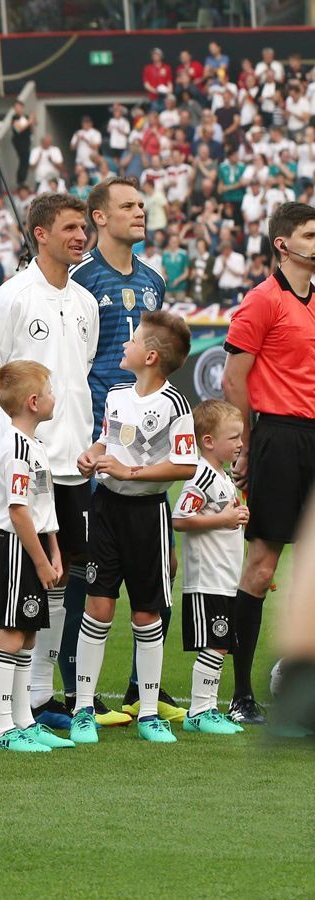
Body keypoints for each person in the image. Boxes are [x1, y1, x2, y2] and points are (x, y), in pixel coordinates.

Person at [0, 193, 99, 731]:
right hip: (29, 462)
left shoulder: (86, 301)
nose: (80, 236)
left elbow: (81, 373)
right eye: (69, 227)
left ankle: (38, 698)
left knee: (59, 580)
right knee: (15, 581)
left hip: (74, 463)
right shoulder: (11, 299)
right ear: (39, 233)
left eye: (83, 228)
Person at [66, 176, 170, 725]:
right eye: (128, 205)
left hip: (147, 440)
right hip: (97, 435)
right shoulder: (81, 279)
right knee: (88, 562)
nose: (140, 212)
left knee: (156, 565)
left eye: (141, 205)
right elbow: (77, 359)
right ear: (99, 217)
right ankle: (76, 689)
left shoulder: (154, 280)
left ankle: (143, 691)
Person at [70, 310, 197, 744]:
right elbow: (108, 440)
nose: (124, 344)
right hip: (105, 510)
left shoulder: (175, 405)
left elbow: (184, 464)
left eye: (133, 339)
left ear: (151, 356)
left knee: (146, 613)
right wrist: (92, 453)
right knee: (98, 607)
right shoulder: (118, 394)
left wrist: (131, 474)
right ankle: (83, 708)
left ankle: (147, 713)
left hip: (147, 517)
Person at [221, 202, 315, 726]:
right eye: (310, 234)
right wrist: (249, 446)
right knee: (261, 567)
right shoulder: (261, 301)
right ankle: (240, 695)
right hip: (278, 438)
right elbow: (235, 381)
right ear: (283, 244)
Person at [0, 361, 71, 753]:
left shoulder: (35, 446)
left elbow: (42, 507)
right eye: (49, 391)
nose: (54, 398)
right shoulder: (16, 447)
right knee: (12, 631)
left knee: (29, 632)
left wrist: (54, 550)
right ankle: (1, 726)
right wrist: (38, 559)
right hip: (15, 547)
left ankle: (23, 719)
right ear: (33, 402)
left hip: (32, 546)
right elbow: (18, 511)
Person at [172, 399, 250, 735]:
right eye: (233, 438)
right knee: (215, 643)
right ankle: (199, 710)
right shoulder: (202, 476)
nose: (240, 444)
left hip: (224, 577)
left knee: (221, 643)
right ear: (208, 441)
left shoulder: (223, 476)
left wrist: (236, 517)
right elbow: (180, 517)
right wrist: (225, 518)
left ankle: (206, 707)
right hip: (207, 578)